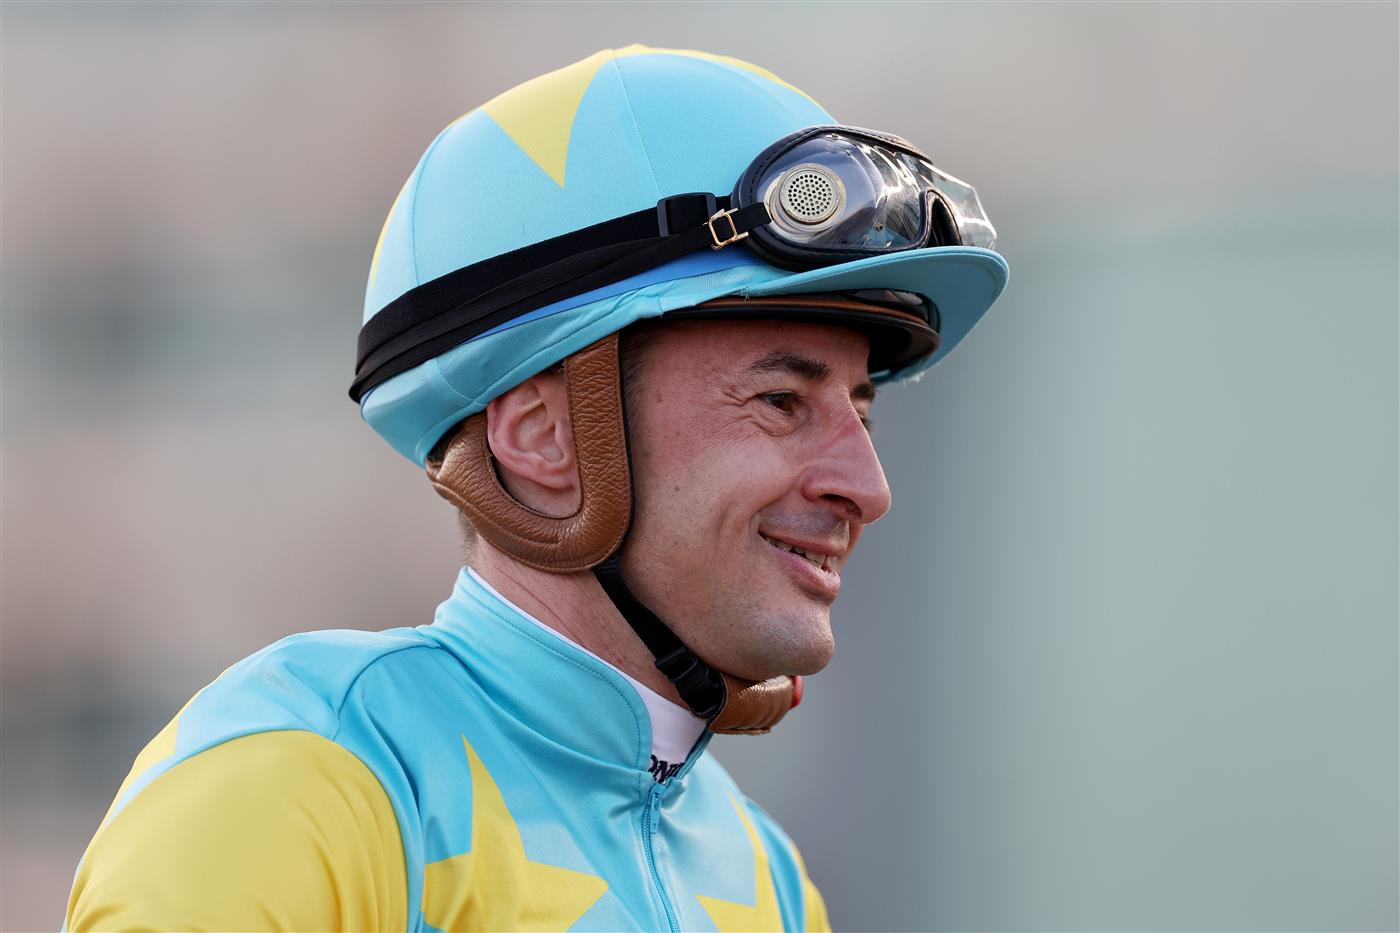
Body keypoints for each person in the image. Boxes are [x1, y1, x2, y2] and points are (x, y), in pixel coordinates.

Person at [65, 45, 1007, 932]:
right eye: (779, 400)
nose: (868, 487)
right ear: (546, 437)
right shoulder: (300, 775)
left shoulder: (766, 878)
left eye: (861, 412)